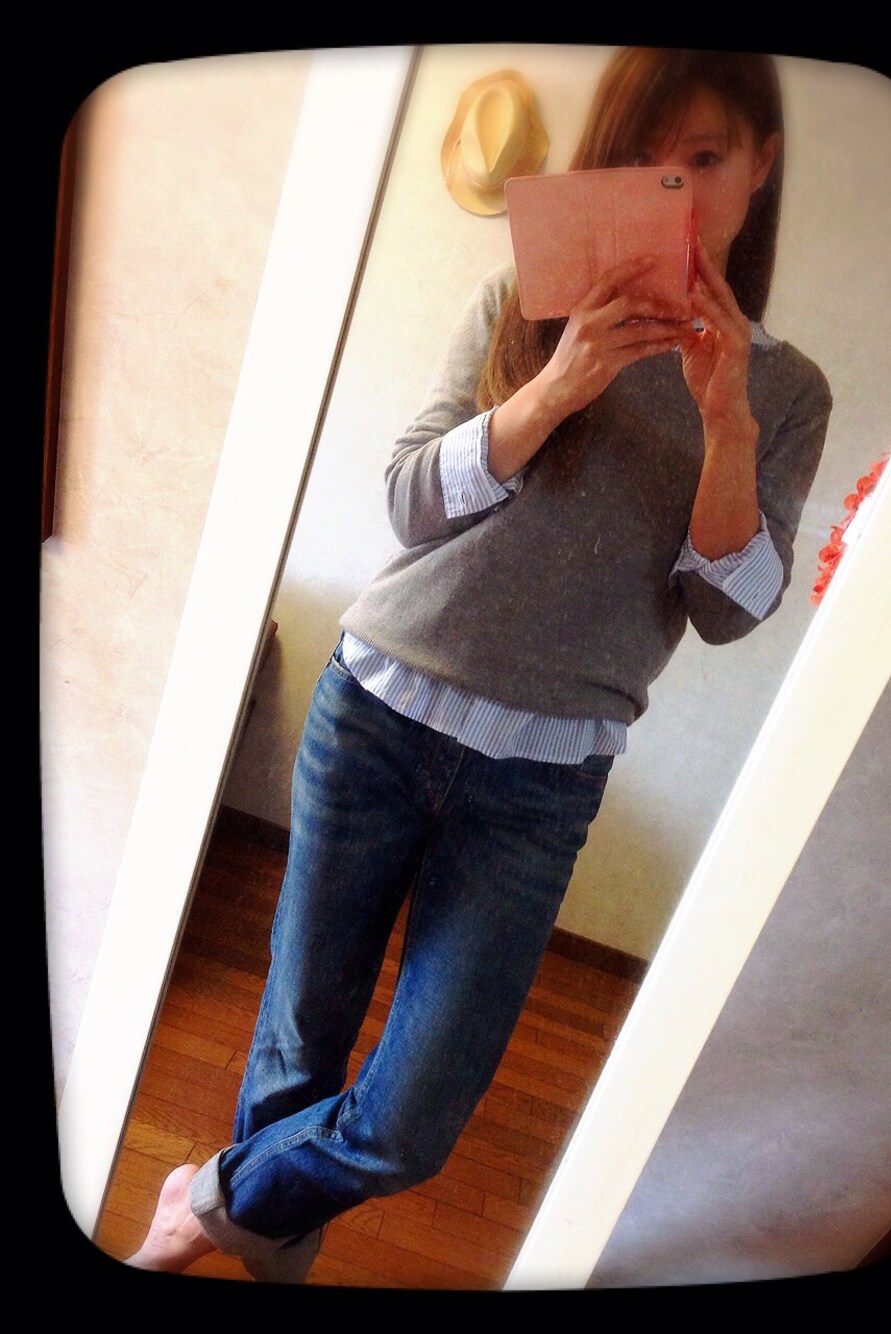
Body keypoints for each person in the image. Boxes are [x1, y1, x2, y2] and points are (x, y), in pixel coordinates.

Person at [126, 45, 832, 1283]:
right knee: (298, 1044)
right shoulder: (522, 296)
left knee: (410, 1117)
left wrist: (724, 421)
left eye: (706, 157)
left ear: (761, 164)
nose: (673, 187)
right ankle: (265, 1248)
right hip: (379, 707)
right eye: (643, 158)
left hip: (537, 782)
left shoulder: (787, 392)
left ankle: (209, 1202)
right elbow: (408, 500)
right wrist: (555, 385)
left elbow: (730, 611)